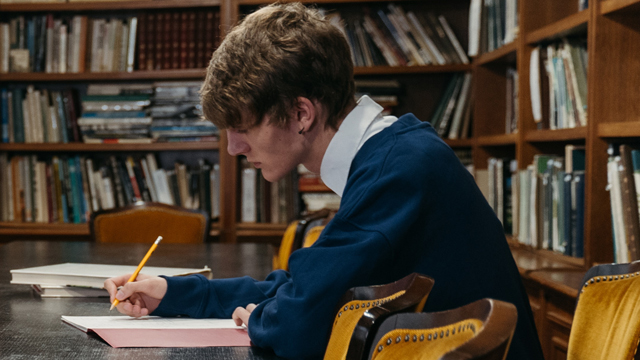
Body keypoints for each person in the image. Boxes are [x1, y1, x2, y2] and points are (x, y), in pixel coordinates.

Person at [103, 4, 543, 360]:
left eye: (243, 127)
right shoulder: (391, 153)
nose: (234, 148)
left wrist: (266, 316)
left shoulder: (400, 168)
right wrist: (176, 293)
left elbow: (297, 326)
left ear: (301, 114)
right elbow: (302, 290)